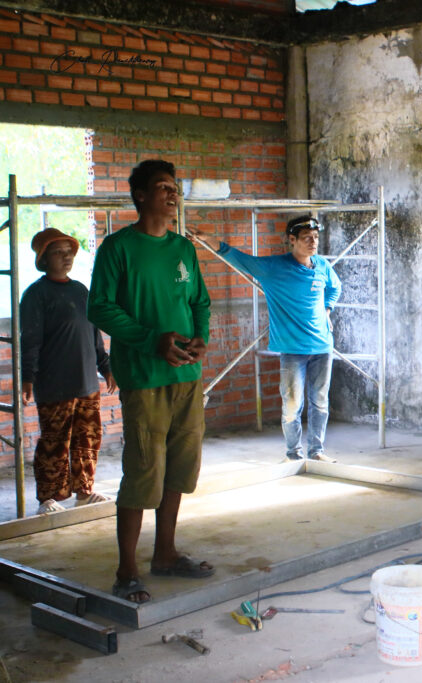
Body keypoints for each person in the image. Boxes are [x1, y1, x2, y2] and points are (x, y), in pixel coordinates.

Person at [88, 159, 214, 604]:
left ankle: (166, 553)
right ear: (140, 196)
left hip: (187, 376)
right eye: (162, 186)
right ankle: (127, 570)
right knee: (144, 471)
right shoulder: (117, 248)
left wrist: (200, 338)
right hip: (144, 377)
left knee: (181, 467)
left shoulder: (182, 248)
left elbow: (200, 301)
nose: (172, 193)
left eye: (174, 186)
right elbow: (99, 307)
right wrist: (150, 341)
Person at [190, 216, 341, 463]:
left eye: (315, 238)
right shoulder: (273, 268)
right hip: (293, 350)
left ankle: (317, 451)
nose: (313, 242)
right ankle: (293, 454)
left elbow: (335, 287)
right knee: (292, 405)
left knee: (320, 402)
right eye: (306, 238)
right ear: (292, 240)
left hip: (323, 347)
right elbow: (238, 258)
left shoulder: (322, 265)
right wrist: (209, 240)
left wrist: (327, 309)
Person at [21, 228, 117, 515]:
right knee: (55, 441)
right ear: (43, 259)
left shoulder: (80, 290)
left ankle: (84, 491)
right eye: (58, 252)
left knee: (87, 439)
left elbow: (93, 334)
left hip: (86, 381)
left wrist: (106, 367)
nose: (66, 257)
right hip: (55, 383)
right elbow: (31, 340)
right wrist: (28, 377)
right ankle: (47, 498)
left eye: (69, 252)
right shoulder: (36, 295)